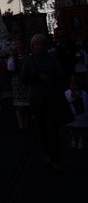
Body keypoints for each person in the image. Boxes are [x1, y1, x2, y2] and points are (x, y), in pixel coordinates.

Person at [21, 33, 71, 172]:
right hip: (37, 99)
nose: (39, 46)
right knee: (42, 130)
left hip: (51, 98)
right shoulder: (29, 61)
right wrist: (37, 78)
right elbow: (24, 78)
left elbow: (61, 75)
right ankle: (49, 154)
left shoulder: (52, 60)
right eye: (37, 44)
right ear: (33, 46)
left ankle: (55, 157)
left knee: (52, 129)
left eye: (42, 44)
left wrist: (50, 78)